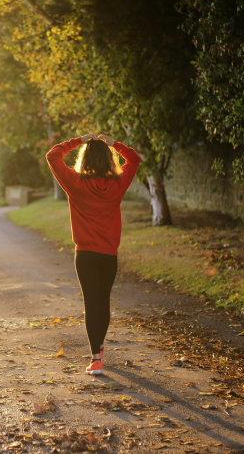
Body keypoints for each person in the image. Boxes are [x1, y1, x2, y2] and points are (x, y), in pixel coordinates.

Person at [46, 133, 141, 375]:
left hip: (85, 254)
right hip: (108, 254)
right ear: (109, 160)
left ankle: (96, 358)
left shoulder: (74, 182)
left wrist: (78, 140)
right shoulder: (118, 184)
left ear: (84, 159)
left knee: (91, 303)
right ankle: (98, 347)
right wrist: (114, 144)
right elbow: (134, 158)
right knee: (103, 301)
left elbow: (52, 155)